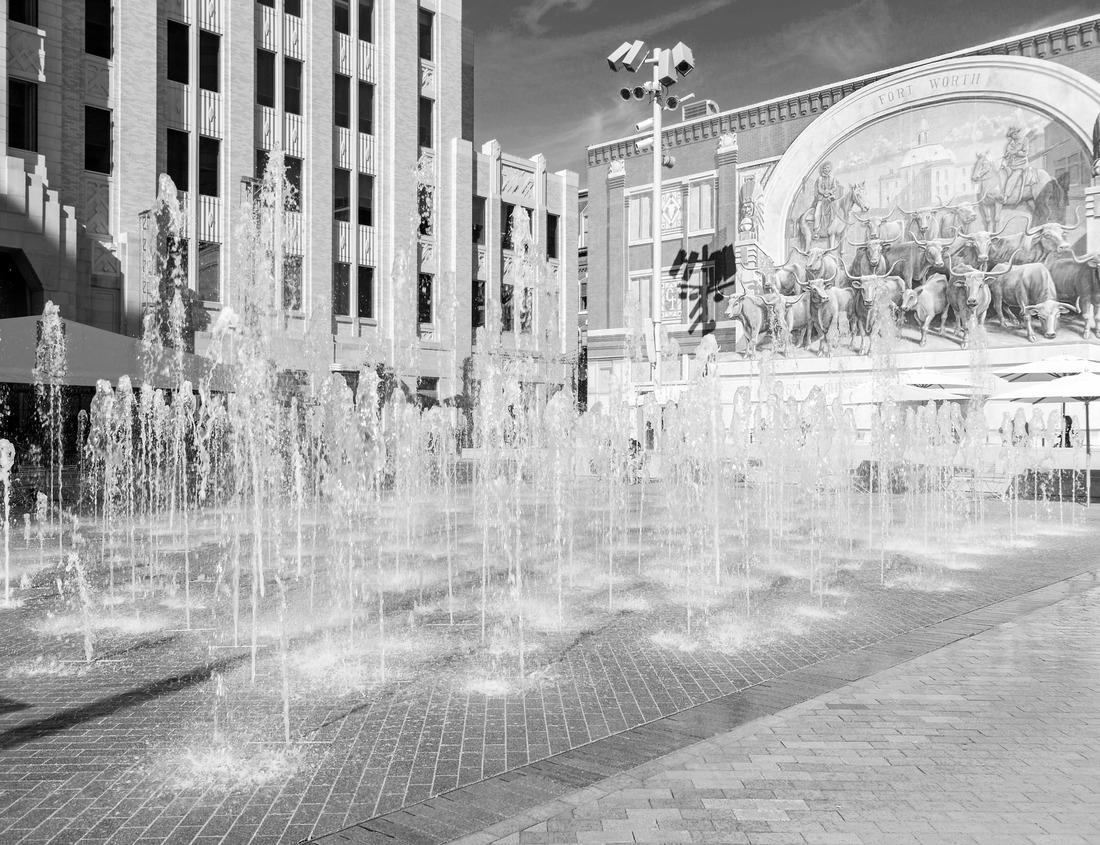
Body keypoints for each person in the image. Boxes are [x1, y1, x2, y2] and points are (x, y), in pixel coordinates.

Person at [1001, 125, 1034, 207]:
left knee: (1013, 177)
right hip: (1011, 165)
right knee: (1002, 175)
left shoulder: (1025, 140)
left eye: (1015, 133)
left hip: (1021, 165)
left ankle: (1006, 196)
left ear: (1017, 133)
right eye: (1012, 134)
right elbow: (1008, 153)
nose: (1014, 135)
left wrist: (1016, 152)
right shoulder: (1011, 143)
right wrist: (1006, 156)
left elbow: (1025, 153)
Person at [810, 161, 841, 239]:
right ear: (822, 170)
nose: (826, 169)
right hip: (822, 198)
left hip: (830, 197)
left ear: (830, 169)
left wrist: (830, 191)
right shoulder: (820, 179)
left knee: (837, 209)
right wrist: (824, 193)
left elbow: (834, 187)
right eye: (824, 168)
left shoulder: (832, 178)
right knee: (817, 213)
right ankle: (816, 231)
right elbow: (819, 188)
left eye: (827, 168)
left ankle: (836, 228)